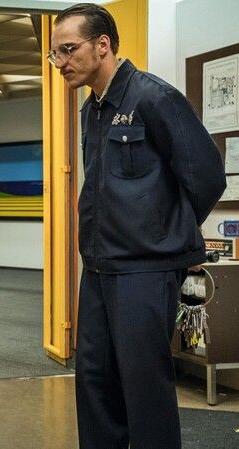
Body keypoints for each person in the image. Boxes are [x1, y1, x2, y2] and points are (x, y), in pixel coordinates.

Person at [49, 4, 226, 448]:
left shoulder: (154, 98)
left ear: (102, 44)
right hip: (98, 268)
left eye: (68, 50)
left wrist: (168, 235)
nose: (60, 62)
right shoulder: (90, 111)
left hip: (145, 270)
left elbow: (207, 176)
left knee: (144, 388)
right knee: (94, 381)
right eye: (55, 54)